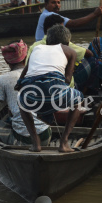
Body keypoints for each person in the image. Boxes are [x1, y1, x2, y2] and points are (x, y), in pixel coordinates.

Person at [15, 25, 87, 153]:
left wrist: (20, 86)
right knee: (78, 98)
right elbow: (67, 80)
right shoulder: (70, 51)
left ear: (48, 41)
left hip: (32, 92)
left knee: (21, 101)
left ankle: (36, 143)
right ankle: (64, 142)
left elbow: (21, 80)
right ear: (67, 42)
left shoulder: (36, 49)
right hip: (55, 90)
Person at [0, 40, 53, 147]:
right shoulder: (39, 73)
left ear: (6, 61)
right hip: (46, 134)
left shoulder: (4, 79)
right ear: (26, 58)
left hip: (24, 140)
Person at [27, 14, 91, 89]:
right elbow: (67, 81)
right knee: (92, 61)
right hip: (60, 90)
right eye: (61, 29)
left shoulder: (35, 47)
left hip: (35, 88)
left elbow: (26, 71)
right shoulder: (68, 48)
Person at [34, 0, 102, 41]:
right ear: (46, 5)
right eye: (53, 2)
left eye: (58, 2)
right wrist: (94, 14)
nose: (57, 5)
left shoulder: (45, 14)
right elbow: (74, 23)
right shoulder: (48, 15)